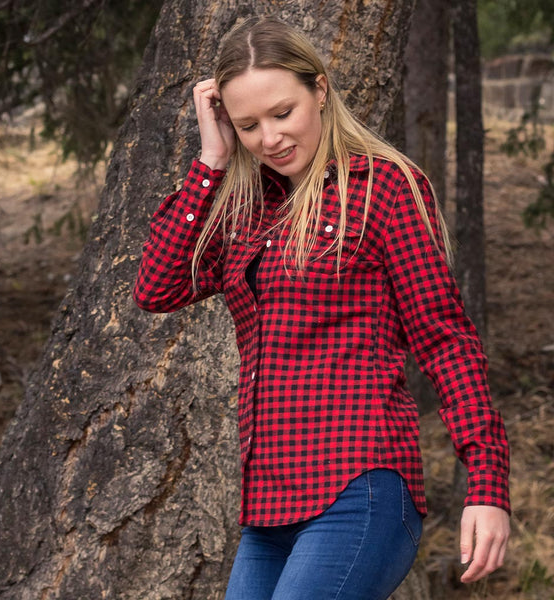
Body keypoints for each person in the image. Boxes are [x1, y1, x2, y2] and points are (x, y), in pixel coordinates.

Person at [133, 16, 510, 600]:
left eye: (283, 113)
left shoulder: (382, 187)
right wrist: (210, 163)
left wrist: (486, 484)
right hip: (269, 508)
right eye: (248, 124)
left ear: (321, 90)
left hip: (359, 488)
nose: (270, 138)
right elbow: (157, 288)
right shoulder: (248, 208)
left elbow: (444, 340)